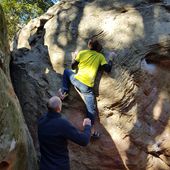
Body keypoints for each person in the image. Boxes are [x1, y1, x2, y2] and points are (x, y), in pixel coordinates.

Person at [58, 38, 116, 138]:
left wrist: (74, 57)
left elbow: (72, 66)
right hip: (86, 87)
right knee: (90, 109)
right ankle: (91, 130)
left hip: (75, 79)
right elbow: (108, 69)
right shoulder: (100, 56)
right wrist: (110, 58)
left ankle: (64, 92)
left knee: (67, 71)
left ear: (89, 46)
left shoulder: (82, 53)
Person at [38, 96, 91, 170]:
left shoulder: (41, 120)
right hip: (60, 166)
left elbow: (51, 107)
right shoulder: (62, 124)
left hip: (44, 166)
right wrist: (87, 126)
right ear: (59, 108)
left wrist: (58, 99)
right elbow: (84, 141)